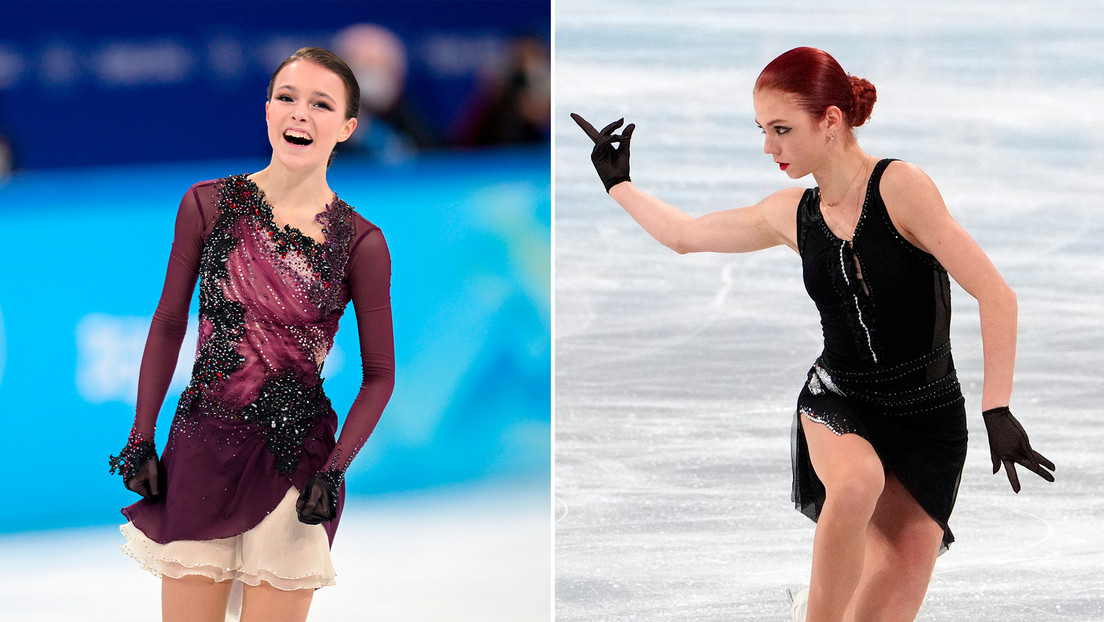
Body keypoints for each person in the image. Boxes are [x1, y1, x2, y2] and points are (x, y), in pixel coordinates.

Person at [572, 46, 1054, 622]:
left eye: (781, 129)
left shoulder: (900, 187)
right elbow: (686, 235)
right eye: (762, 130)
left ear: (830, 120)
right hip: (840, 398)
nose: (769, 147)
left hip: (929, 421)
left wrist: (996, 408)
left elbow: (995, 293)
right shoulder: (790, 214)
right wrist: (619, 185)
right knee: (854, 483)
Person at [109, 47, 395, 622]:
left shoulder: (361, 243)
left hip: (295, 464)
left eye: (320, 104)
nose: (300, 114)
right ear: (267, 110)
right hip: (200, 452)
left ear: (346, 128)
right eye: (287, 98)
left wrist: (333, 471)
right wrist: (142, 436)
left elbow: (380, 375)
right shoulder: (207, 205)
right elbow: (168, 324)